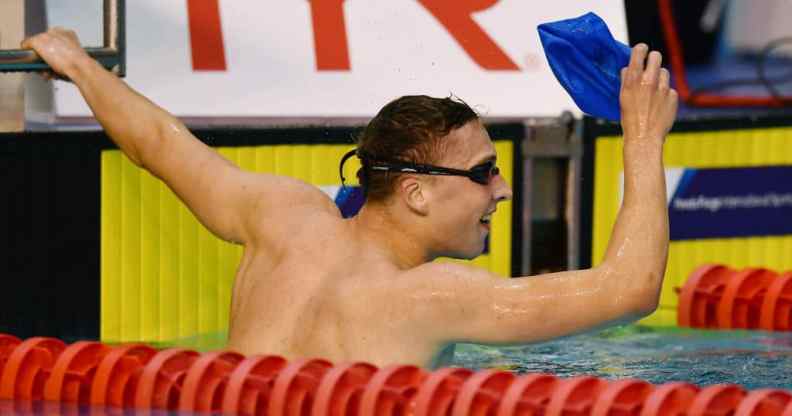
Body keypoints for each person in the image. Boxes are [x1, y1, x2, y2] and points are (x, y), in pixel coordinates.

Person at [21, 28, 677, 367]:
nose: (501, 191)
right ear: (416, 193)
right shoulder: (428, 296)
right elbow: (629, 290)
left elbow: (161, 147)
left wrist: (76, 63)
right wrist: (644, 139)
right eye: (483, 173)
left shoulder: (281, 216)